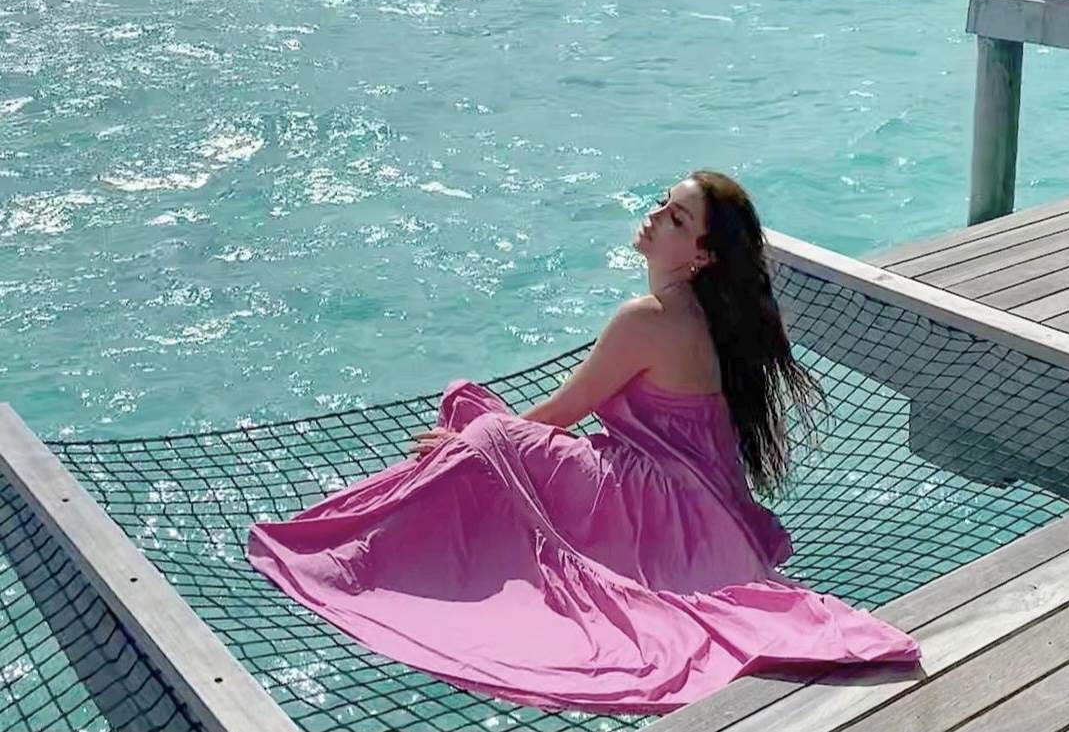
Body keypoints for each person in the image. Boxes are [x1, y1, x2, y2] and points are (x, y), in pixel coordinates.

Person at [247, 171, 920, 715]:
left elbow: (561, 414)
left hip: (659, 506)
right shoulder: (709, 314)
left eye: (676, 218)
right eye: (663, 203)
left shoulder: (647, 318)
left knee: (481, 432)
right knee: (478, 428)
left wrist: (476, 445)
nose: (655, 216)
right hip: (703, 507)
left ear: (702, 255)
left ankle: (359, 558)